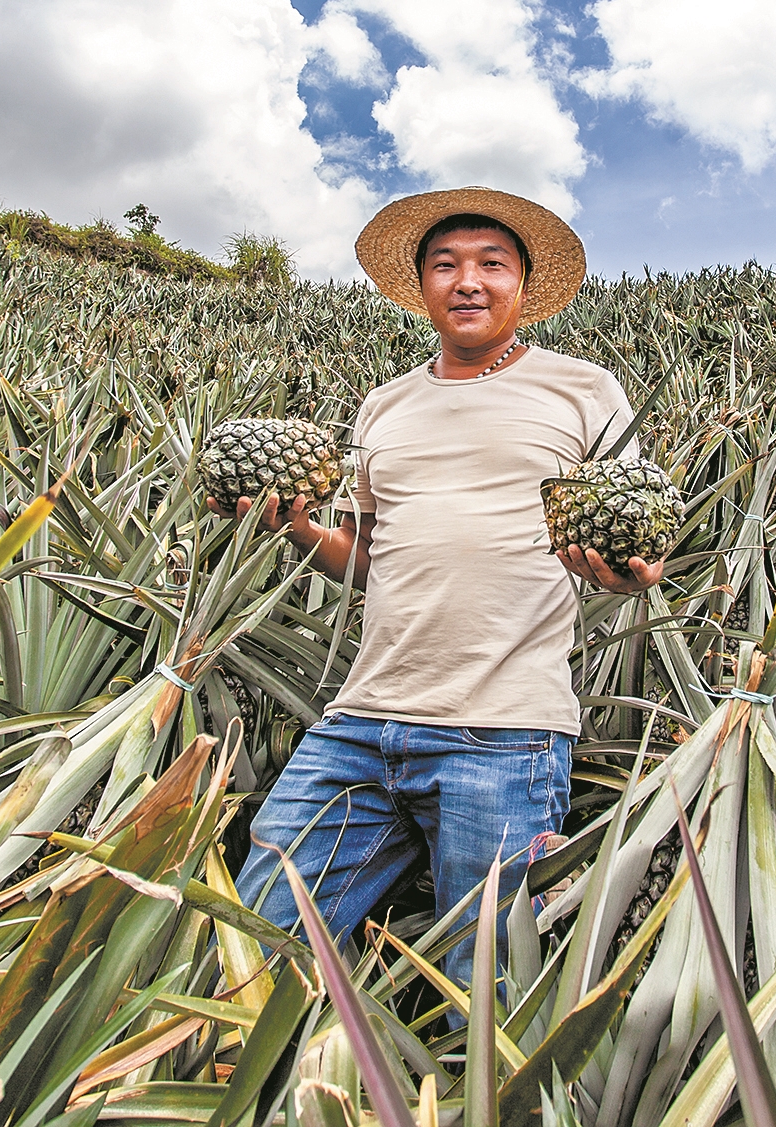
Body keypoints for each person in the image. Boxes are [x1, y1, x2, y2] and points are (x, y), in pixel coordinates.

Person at [215, 186, 660, 984]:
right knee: (253, 946)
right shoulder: (383, 406)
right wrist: (297, 528)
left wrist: (629, 574)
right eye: (446, 264)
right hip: (360, 723)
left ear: (524, 287)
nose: (469, 281)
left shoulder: (584, 389)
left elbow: (626, 534)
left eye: (493, 264)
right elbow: (368, 555)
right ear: (420, 286)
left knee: (485, 993)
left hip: (505, 730)